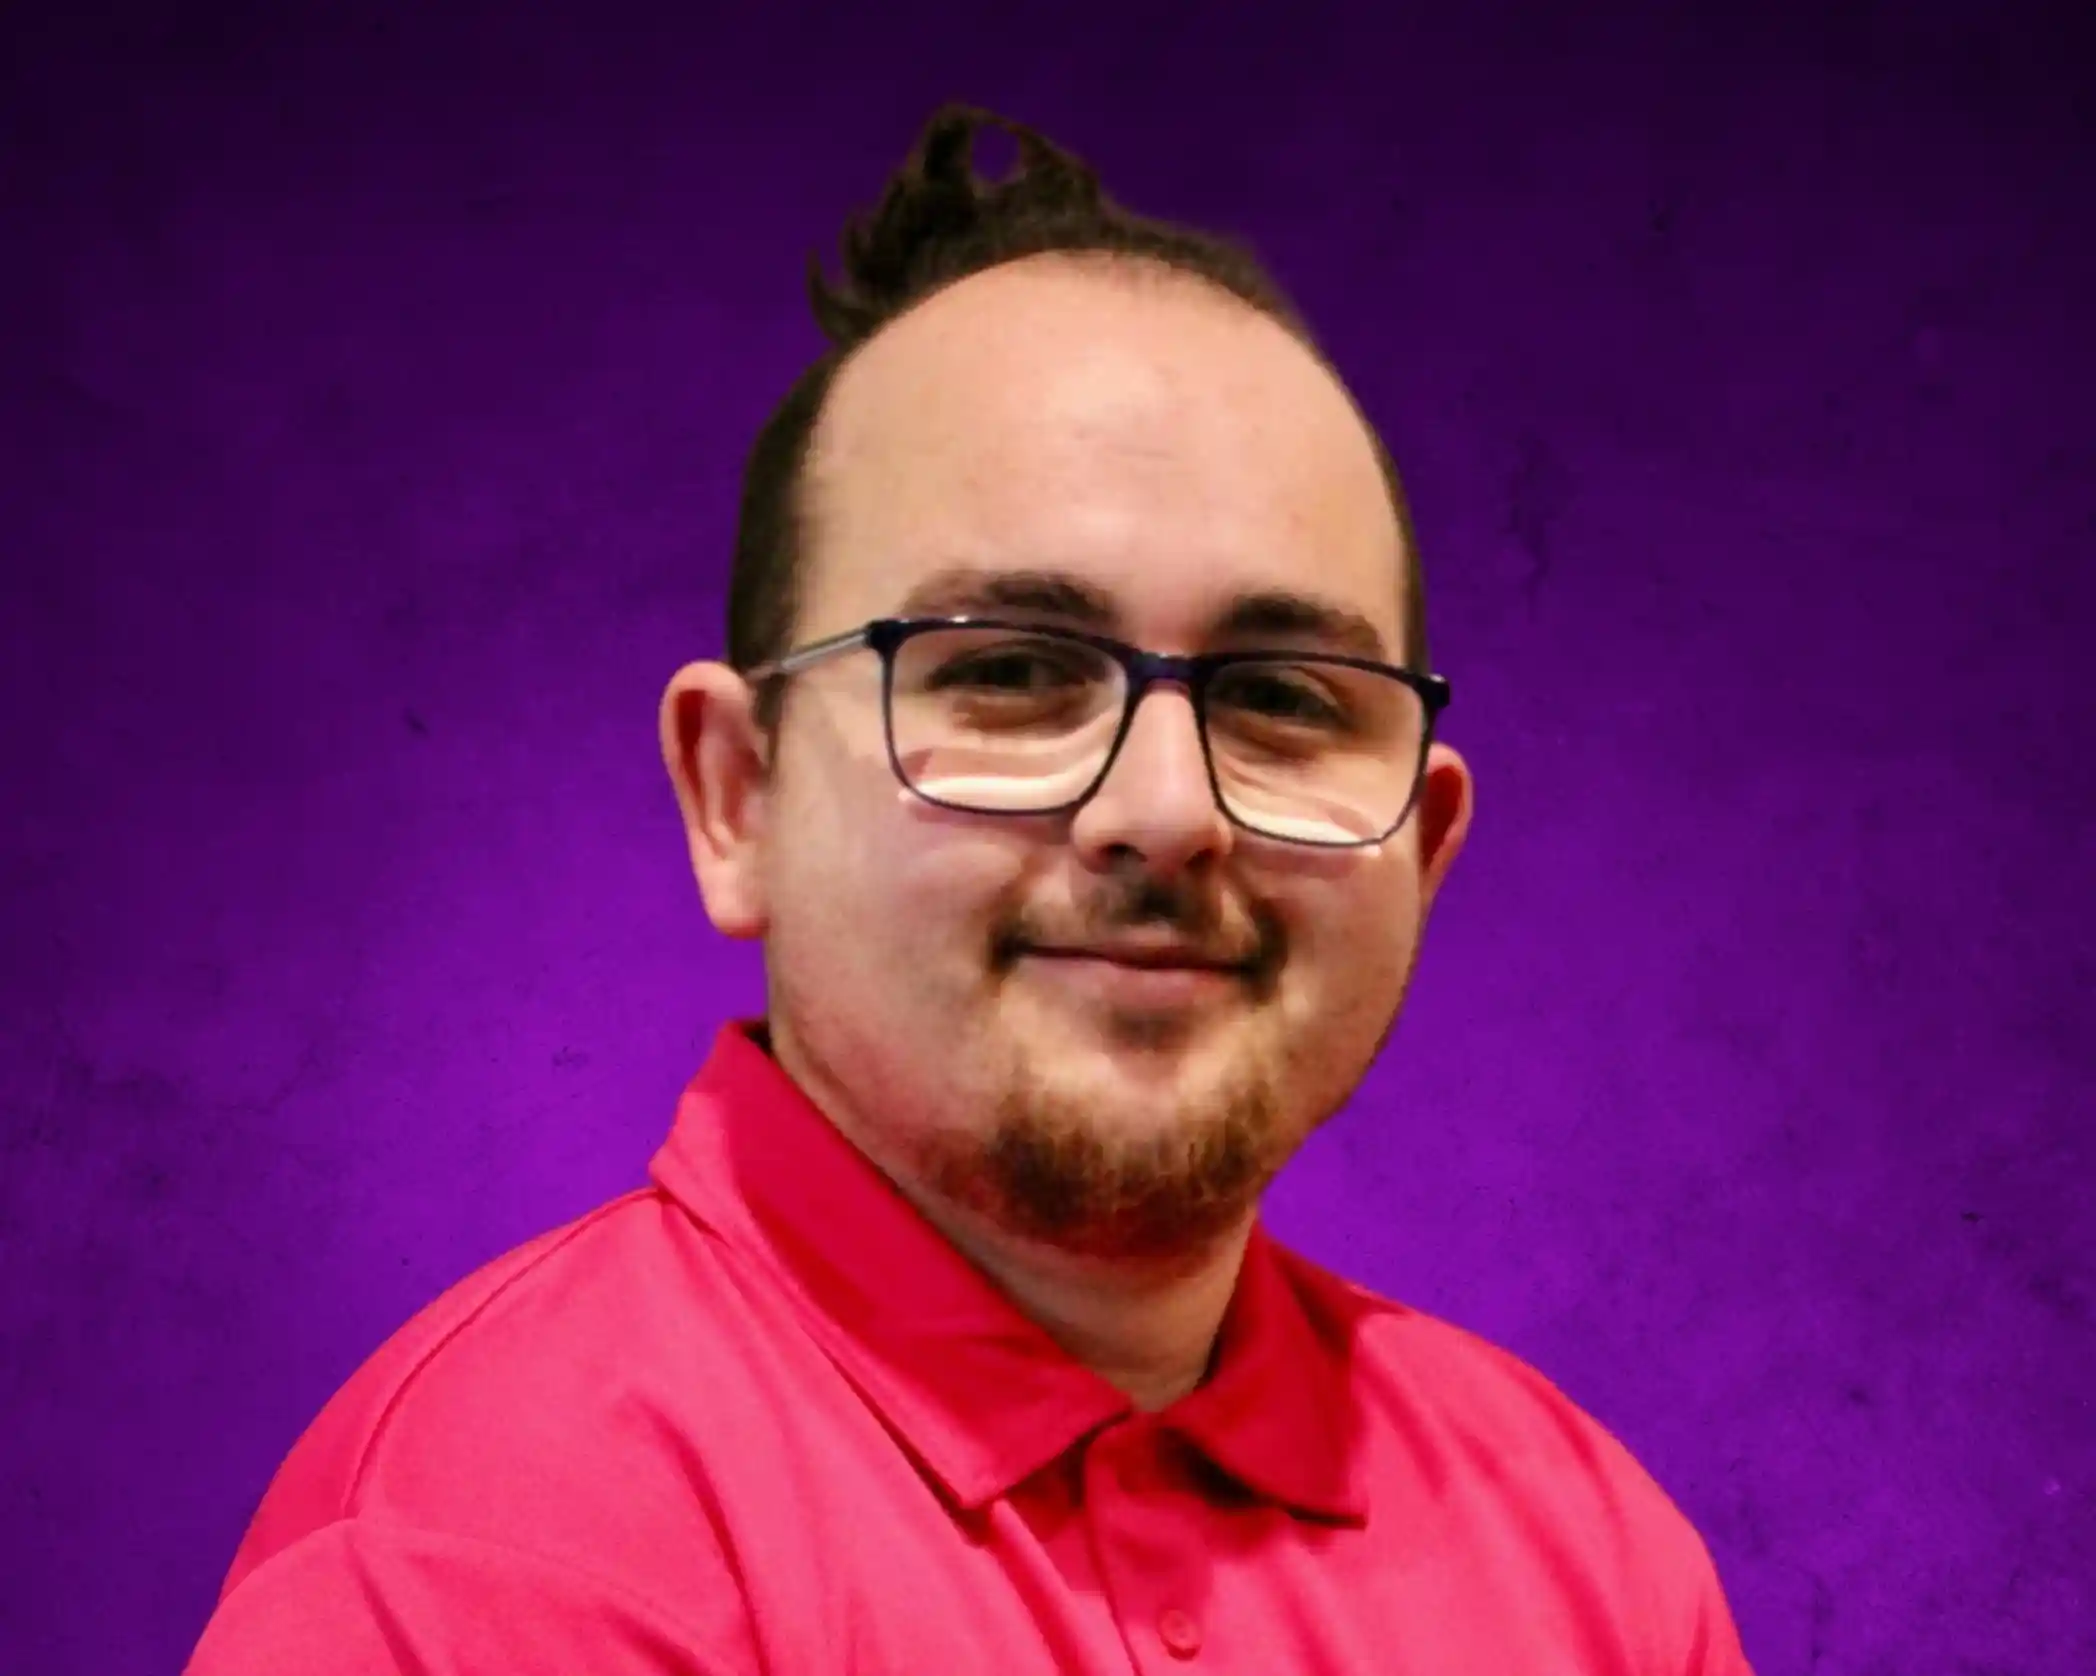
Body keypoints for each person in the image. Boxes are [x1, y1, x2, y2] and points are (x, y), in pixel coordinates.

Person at [186, 104, 1756, 1674]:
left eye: (1282, 697)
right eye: (1010, 671)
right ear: (737, 795)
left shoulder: (1596, 1562)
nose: (1164, 812)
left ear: (1424, 843)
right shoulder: (487, 1558)